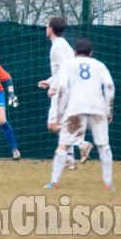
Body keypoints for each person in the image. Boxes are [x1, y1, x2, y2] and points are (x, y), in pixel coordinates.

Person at [44, 39, 115, 190]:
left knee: (63, 145)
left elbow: (63, 88)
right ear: (91, 53)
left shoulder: (67, 65)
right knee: (104, 146)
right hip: (97, 107)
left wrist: (59, 114)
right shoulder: (99, 65)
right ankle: (108, 184)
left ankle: (54, 182)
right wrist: (109, 111)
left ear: (74, 52)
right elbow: (109, 86)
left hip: (75, 107)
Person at [38, 17, 93, 169]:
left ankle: (81, 143)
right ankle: (70, 162)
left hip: (63, 91)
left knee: (53, 126)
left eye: (47, 25)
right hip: (65, 89)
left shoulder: (58, 47)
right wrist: (49, 82)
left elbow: (66, 70)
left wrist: (55, 88)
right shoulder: (60, 45)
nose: (46, 28)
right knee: (60, 125)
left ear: (51, 28)